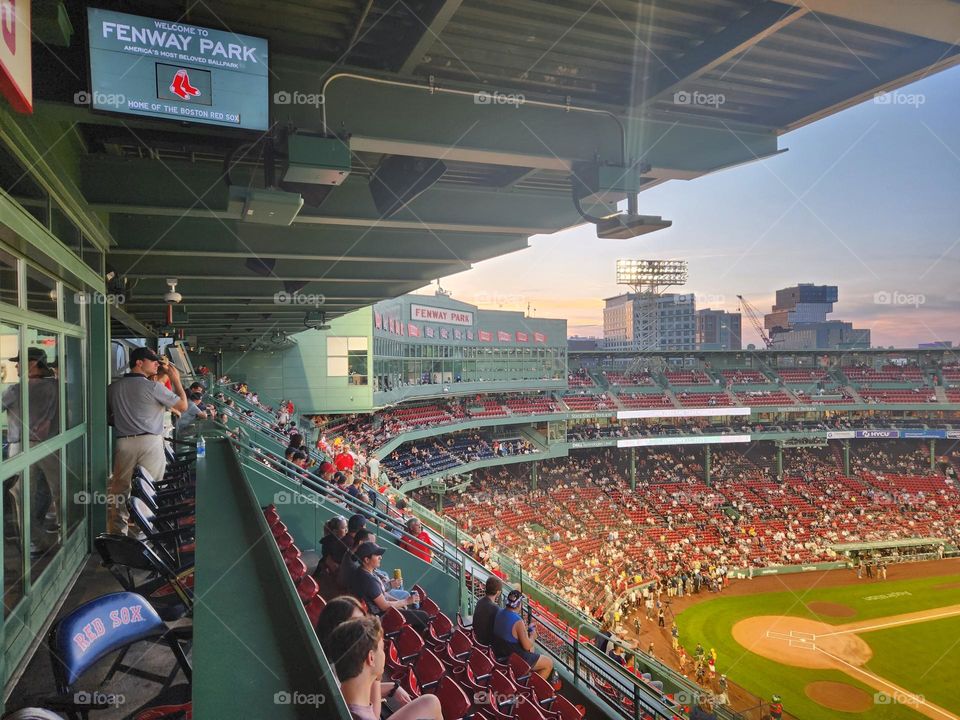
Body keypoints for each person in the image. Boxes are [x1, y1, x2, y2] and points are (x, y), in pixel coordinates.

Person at [106, 348, 187, 536]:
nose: (157, 363)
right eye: (152, 360)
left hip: (124, 442)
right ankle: (142, 537)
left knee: (120, 490)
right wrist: (175, 379)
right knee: (149, 490)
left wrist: (127, 421)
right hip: (150, 442)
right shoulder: (154, 387)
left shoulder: (113, 388)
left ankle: (118, 534)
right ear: (139, 363)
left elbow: (108, 417)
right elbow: (183, 406)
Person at [326, 616, 442, 720]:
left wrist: (380, 678)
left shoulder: (337, 694)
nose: (384, 654)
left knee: (430, 702)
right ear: (371, 658)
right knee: (431, 701)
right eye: (382, 649)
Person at [349, 542, 427, 630]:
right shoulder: (369, 580)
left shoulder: (362, 571)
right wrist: (406, 601)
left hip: (378, 613)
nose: (380, 557)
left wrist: (398, 601)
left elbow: (382, 594)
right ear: (367, 560)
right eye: (377, 555)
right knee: (423, 616)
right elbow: (384, 606)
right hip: (380, 618)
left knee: (414, 612)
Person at [492, 590, 553, 680]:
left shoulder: (499, 612)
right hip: (512, 659)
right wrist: (533, 636)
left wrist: (525, 629)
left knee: (531, 650)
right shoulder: (518, 621)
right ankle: (532, 688)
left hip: (499, 653)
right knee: (548, 663)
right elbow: (527, 646)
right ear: (519, 604)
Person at [472, 576, 502, 647]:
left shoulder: (480, 601)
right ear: (498, 592)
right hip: (486, 644)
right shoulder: (496, 609)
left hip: (476, 639)